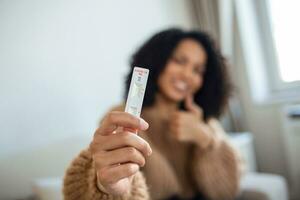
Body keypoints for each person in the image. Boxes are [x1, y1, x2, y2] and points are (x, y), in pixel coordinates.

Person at [63, 28, 242, 200]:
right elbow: (106, 180)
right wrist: (105, 186)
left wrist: (206, 139)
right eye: (179, 61)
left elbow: (227, 193)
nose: (188, 74)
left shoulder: (203, 122)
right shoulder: (122, 117)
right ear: (157, 60)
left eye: (198, 70)